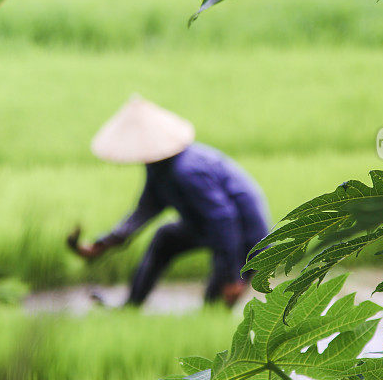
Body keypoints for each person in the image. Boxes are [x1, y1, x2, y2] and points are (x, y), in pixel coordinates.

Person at [67, 95, 270, 307]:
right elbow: (144, 210)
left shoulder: (186, 170)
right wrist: (102, 244)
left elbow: (224, 220)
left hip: (246, 238)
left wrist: (232, 277)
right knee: (165, 238)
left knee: (215, 303)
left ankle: (216, 311)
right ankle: (131, 307)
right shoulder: (158, 168)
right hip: (209, 227)